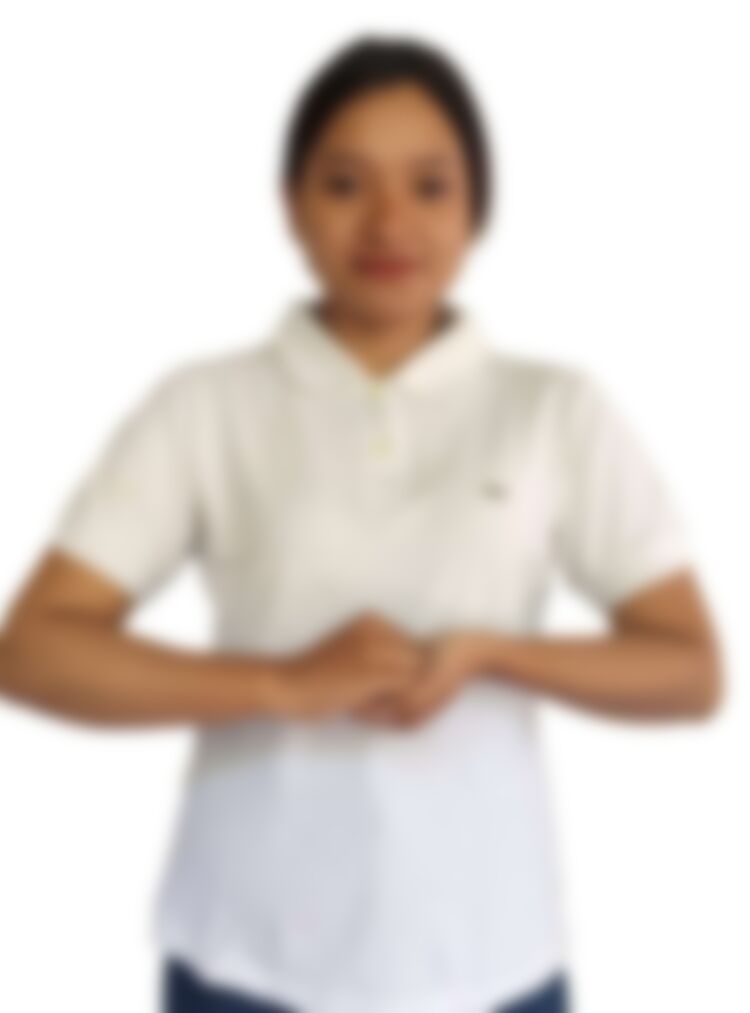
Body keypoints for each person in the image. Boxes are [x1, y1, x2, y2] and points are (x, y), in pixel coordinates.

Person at [0, 33, 723, 1013]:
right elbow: (33, 650)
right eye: (345, 184)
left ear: (477, 209)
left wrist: (494, 652)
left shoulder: (553, 410)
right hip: (245, 962)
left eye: (430, 185)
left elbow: (689, 669)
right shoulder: (207, 406)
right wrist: (284, 683)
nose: (389, 221)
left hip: (489, 966)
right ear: (292, 203)